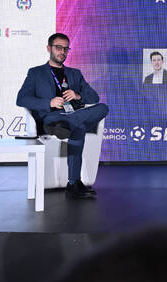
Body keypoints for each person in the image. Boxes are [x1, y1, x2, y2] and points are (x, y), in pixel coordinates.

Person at [17, 33, 109, 199]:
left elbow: (94, 98)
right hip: (51, 118)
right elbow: (21, 99)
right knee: (78, 128)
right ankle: (73, 183)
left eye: (66, 49)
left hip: (71, 116)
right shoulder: (36, 73)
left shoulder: (75, 73)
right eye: (58, 47)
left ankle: (68, 123)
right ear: (49, 48)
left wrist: (77, 95)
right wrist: (49, 103)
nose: (62, 52)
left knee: (103, 107)